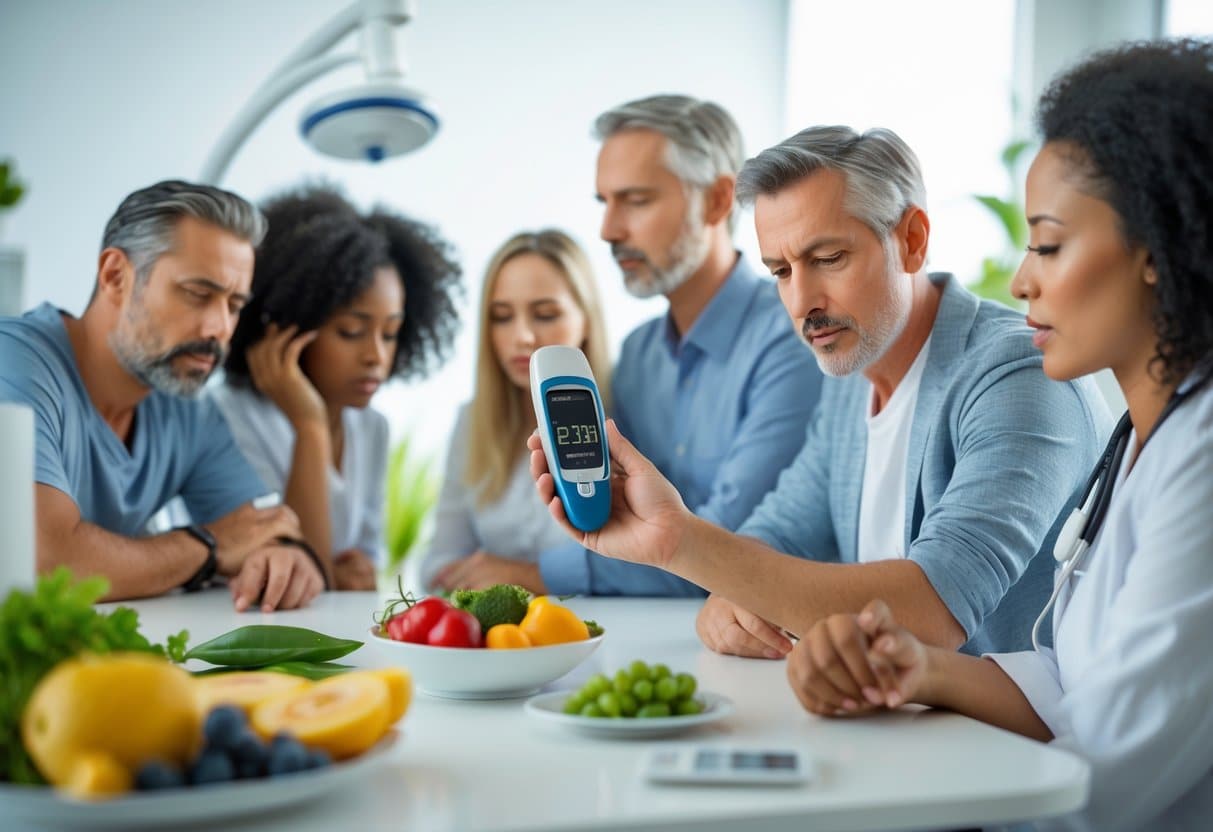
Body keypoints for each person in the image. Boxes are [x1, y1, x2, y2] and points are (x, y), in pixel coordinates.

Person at [783, 39, 1213, 830]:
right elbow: (1068, 681)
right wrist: (918, 672)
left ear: (1157, 246)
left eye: (1047, 244)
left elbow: (1098, 782)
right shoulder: (1146, 438)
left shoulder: (1201, 461)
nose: (1021, 281)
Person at [530, 123, 1111, 658]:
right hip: (897, 730)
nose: (801, 302)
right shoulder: (848, 381)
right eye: (781, 271)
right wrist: (728, 592)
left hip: (1017, 747)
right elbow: (775, 533)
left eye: (827, 258)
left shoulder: (1017, 375)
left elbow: (933, 608)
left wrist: (683, 545)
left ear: (912, 239)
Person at [517, 94, 822, 597]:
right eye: (604, 202)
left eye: (636, 200)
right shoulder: (636, 356)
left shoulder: (791, 339)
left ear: (719, 201)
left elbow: (727, 547)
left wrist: (538, 574)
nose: (609, 230)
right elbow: (619, 518)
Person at [0, 180, 324, 611]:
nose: (220, 329)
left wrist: (283, 558)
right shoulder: (15, 361)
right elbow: (44, 561)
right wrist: (207, 546)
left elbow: (261, 530)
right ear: (116, 276)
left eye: (233, 304)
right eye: (198, 294)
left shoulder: (188, 408)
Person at [213, 185, 461, 591]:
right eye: (351, 331)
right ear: (293, 324)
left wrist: (339, 573)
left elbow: (366, 566)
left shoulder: (371, 427)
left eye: (391, 333)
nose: (376, 356)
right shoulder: (230, 417)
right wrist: (309, 424)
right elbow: (294, 570)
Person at [420, 230, 610, 593]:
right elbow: (438, 560)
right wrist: (469, 575)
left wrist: (526, 576)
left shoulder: (622, 419)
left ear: (586, 319)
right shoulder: (472, 421)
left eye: (545, 314)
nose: (522, 336)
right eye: (502, 317)